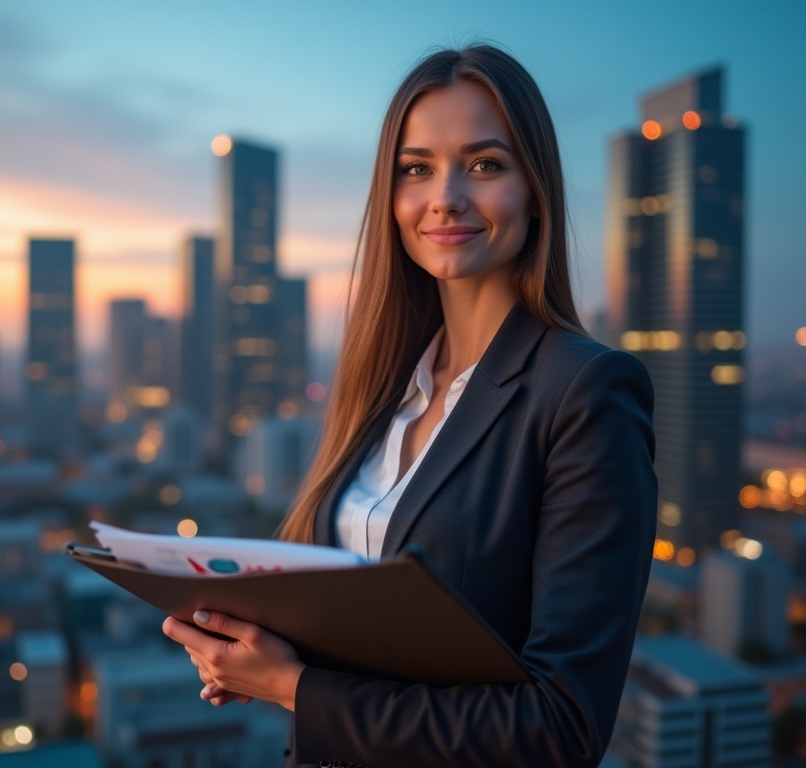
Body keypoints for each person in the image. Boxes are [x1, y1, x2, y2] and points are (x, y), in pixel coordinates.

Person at [163, 43, 657, 767]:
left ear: (535, 188)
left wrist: (295, 687)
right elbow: (373, 629)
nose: (444, 196)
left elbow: (560, 728)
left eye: (485, 165)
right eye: (416, 168)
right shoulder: (384, 384)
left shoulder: (584, 392)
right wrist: (247, 653)